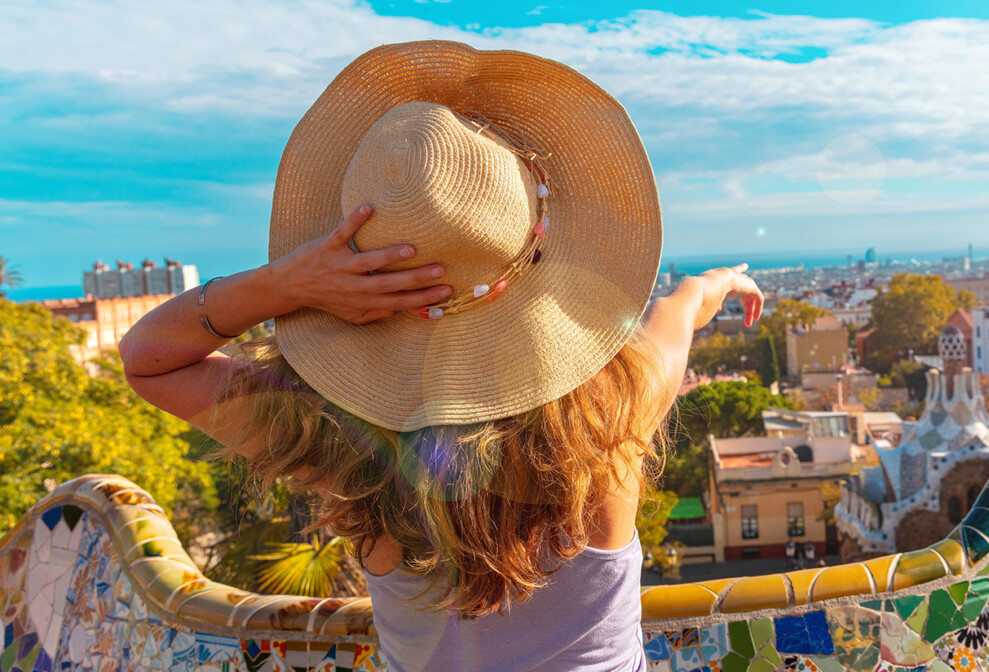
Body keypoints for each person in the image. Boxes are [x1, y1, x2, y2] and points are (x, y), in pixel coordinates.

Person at [119, 42, 763, 672]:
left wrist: (286, 283)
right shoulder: (608, 425)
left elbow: (150, 358)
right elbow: (676, 314)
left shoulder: (340, 445)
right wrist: (716, 284)